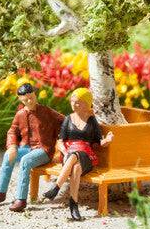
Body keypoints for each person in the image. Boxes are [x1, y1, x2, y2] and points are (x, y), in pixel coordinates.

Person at [0, 82, 64, 213]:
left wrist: (61, 139)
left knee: (25, 161)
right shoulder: (20, 114)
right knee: (7, 156)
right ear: (20, 99)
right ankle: (1, 193)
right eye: (26, 99)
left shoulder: (46, 111)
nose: (29, 100)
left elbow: (65, 121)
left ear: (35, 95)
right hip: (26, 148)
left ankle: (21, 200)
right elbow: (12, 131)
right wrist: (12, 146)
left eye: (32, 97)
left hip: (43, 150)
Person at [43, 87, 113, 221]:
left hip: (87, 155)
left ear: (87, 104)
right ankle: (73, 205)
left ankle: (56, 187)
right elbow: (61, 140)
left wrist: (108, 140)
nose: (73, 105)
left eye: (78, 102)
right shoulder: (68, 119)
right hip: (69, 155)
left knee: (76, 157)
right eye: (72, 101)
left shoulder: (92, 121)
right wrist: (64, 150)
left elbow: (98, 143)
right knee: (75, 168)